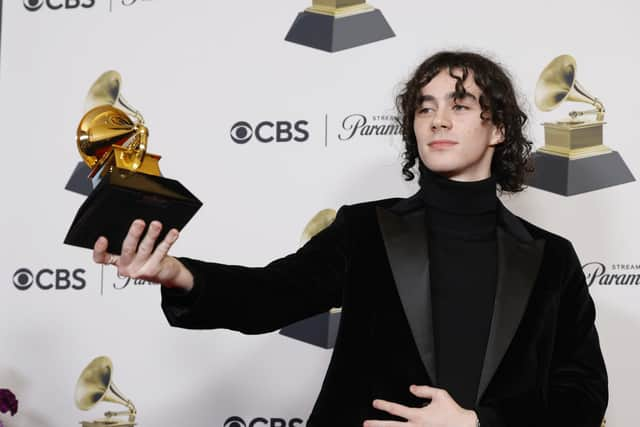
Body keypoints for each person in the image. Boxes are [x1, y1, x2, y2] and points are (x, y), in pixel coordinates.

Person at [93, 51, 608, 427]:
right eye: (425, 108)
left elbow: (583, 395)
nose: (439, 119)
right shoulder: (366, 230)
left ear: (498, 130)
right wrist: (179, 274)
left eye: (461, 104)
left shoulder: (551, 259)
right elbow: (268, 297)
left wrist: (478, 425)